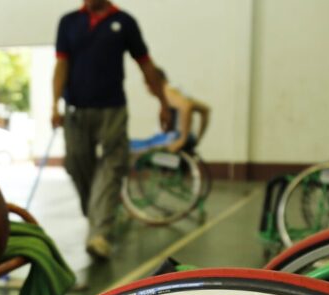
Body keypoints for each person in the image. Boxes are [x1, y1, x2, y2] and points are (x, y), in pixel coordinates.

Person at [52, 0, 171, 261]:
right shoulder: (69, 22)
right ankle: (97, 215)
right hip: (76, 110)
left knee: (112, 165)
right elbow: (61, 65)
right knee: (76, 162)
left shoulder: (125, 22)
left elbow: (146, 65)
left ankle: (98, 233)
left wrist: (163, 103)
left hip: (112, 110)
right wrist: (54, 104)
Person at [130, 67, 211, 155]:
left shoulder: (167, 91)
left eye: (147, 83)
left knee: (129, 146)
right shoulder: (177, 91)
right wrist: (197, 139)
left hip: (172, 138)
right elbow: (205, 110)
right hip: (176, 136)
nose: (147, 88)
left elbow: (186, 106)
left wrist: (182, 140)